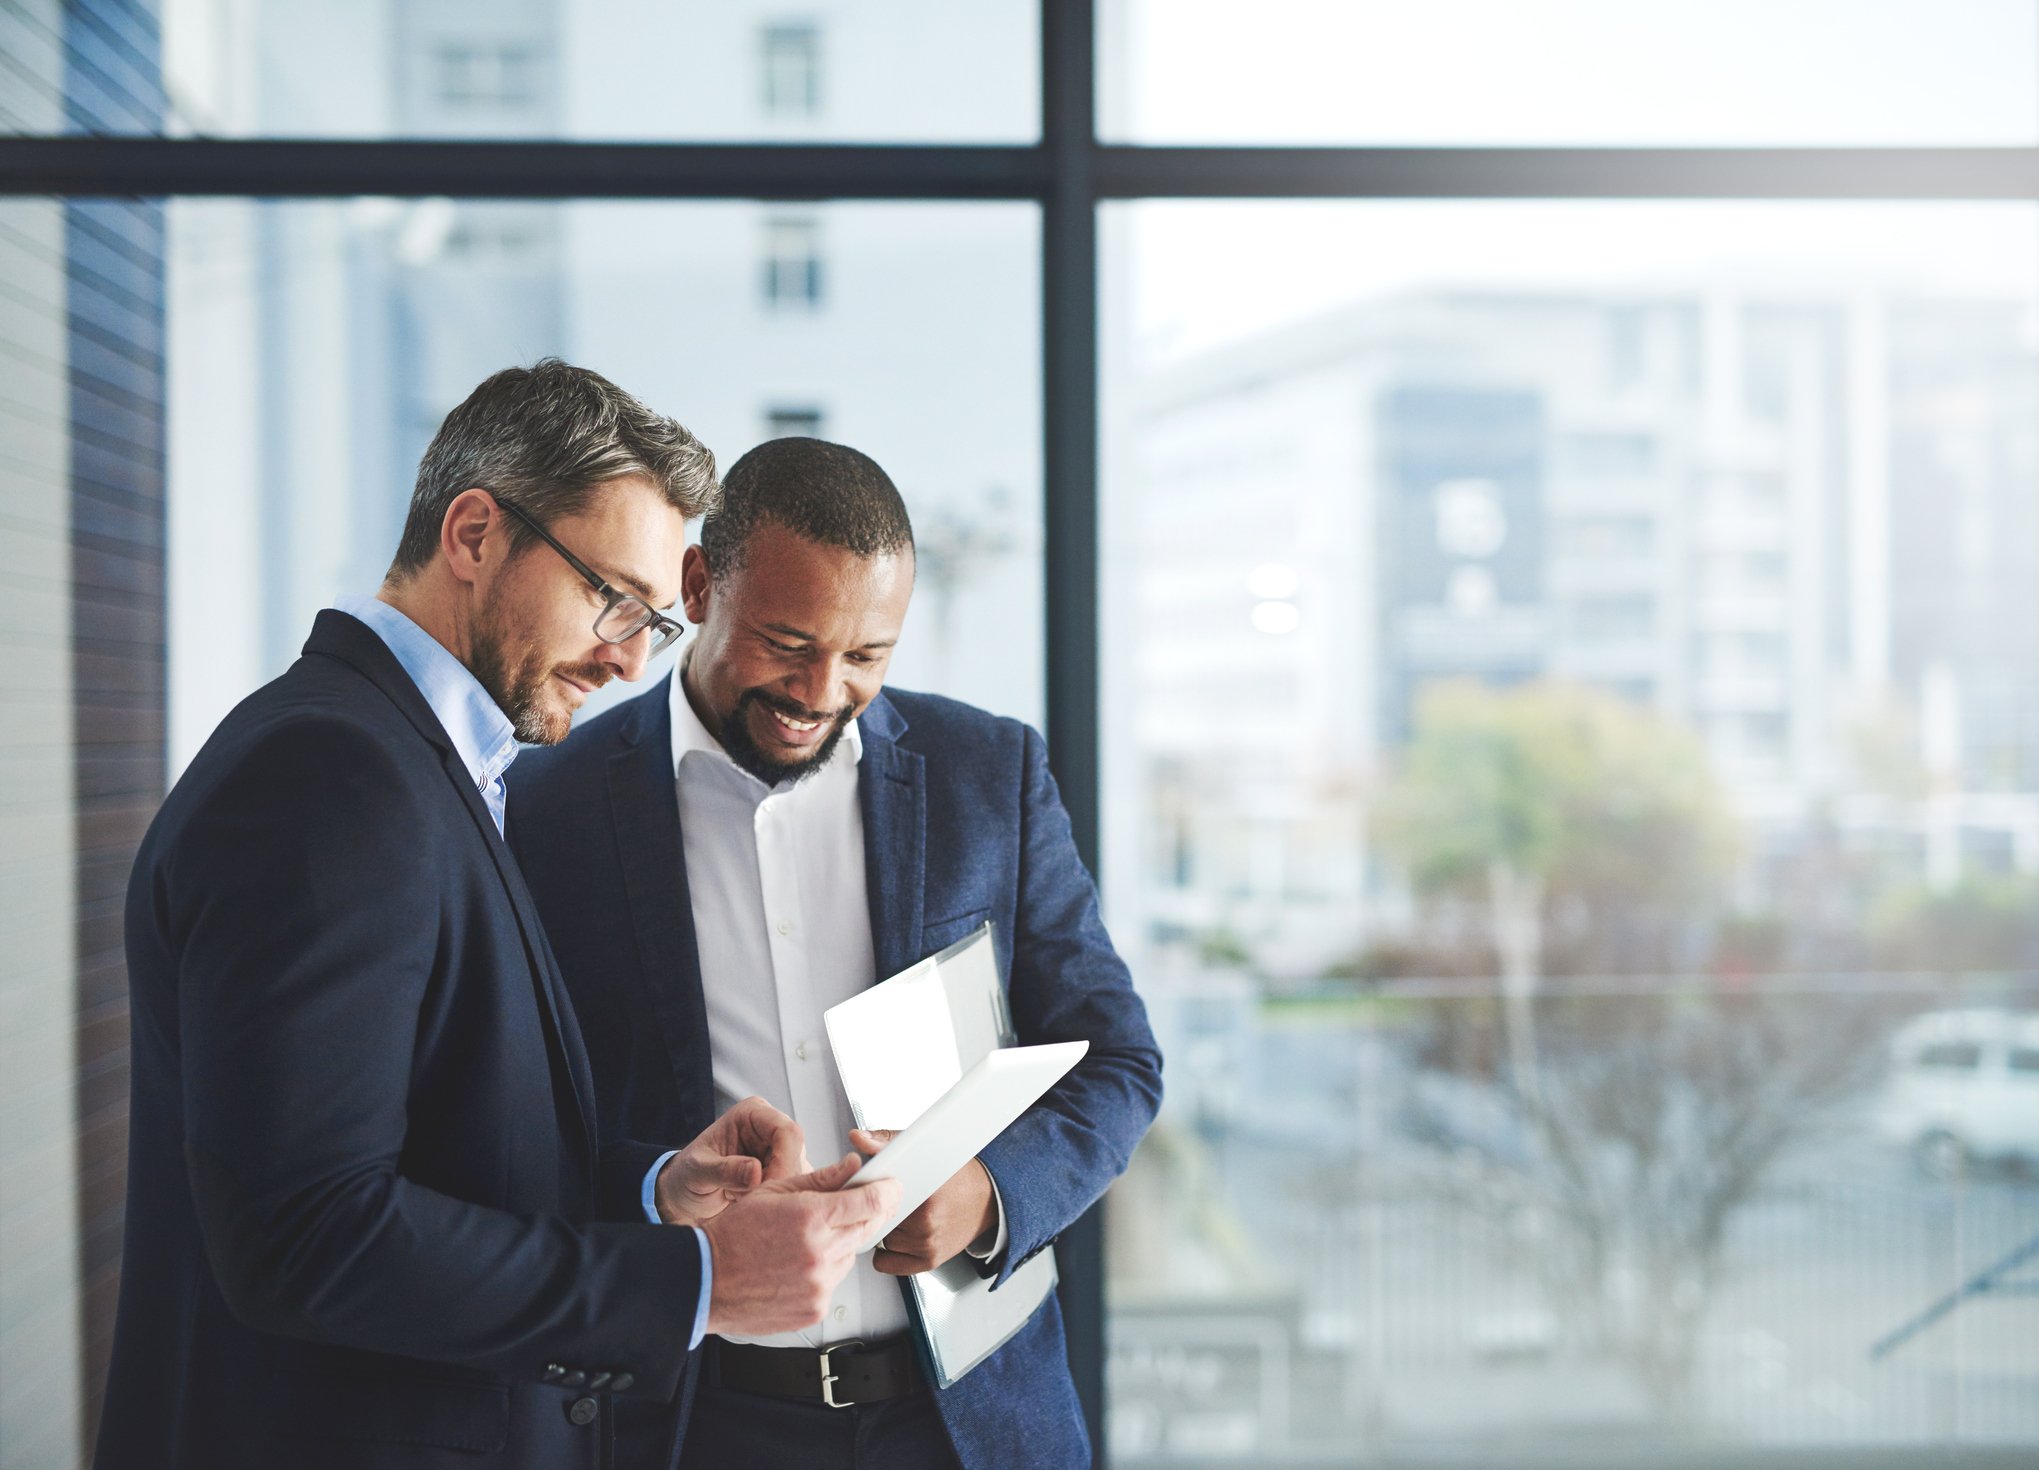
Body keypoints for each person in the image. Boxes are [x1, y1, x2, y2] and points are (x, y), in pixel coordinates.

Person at [95, 364, 899, 1470]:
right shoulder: (329, 772)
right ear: (473, 533)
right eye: (610, 599)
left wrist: (653, 1186)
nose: (625, 659)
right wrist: (703, 1281)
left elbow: (421, 1145)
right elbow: (307, 1235)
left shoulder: (426, 765)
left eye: (652, 623)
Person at [508, 437, 1163, 1470]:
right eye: (786, 641)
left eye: (866, 656)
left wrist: (989, 1197)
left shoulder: (987, 774)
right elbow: (515, 1131)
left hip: (970, 1423)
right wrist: (661, 1186)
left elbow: (1118, 1063)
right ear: (696, 584)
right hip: (692, 1421)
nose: (820, 689)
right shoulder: (546, 808)